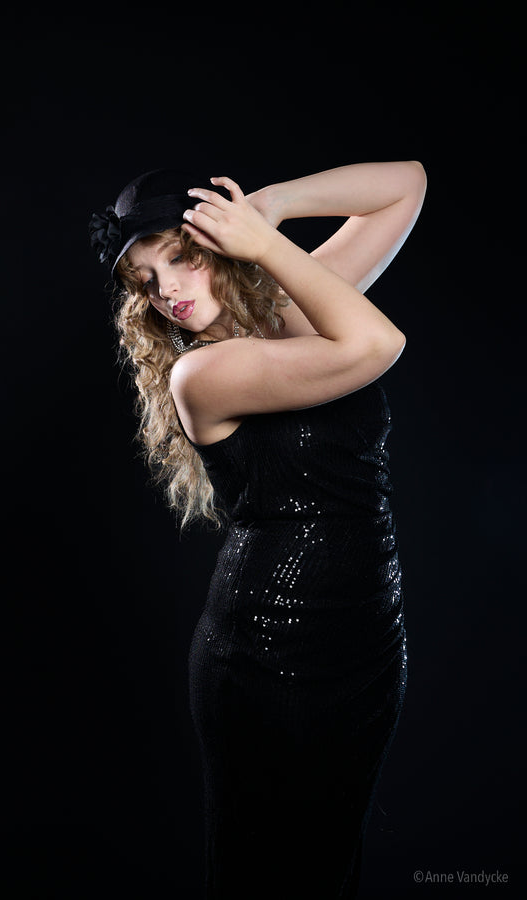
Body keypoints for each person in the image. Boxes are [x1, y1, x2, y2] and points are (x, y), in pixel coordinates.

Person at [89, 160, 427, 898]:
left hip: (367, 639)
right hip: (269, 658)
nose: (168, 291)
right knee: (274, 878)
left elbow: (407, 184)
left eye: (180, 257)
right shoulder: (200, 377)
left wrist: (269, 210)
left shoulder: (289, 315)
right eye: (146, 281)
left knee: (330, 867)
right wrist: (268, 248)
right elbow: (378, 345)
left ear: (218, 242)